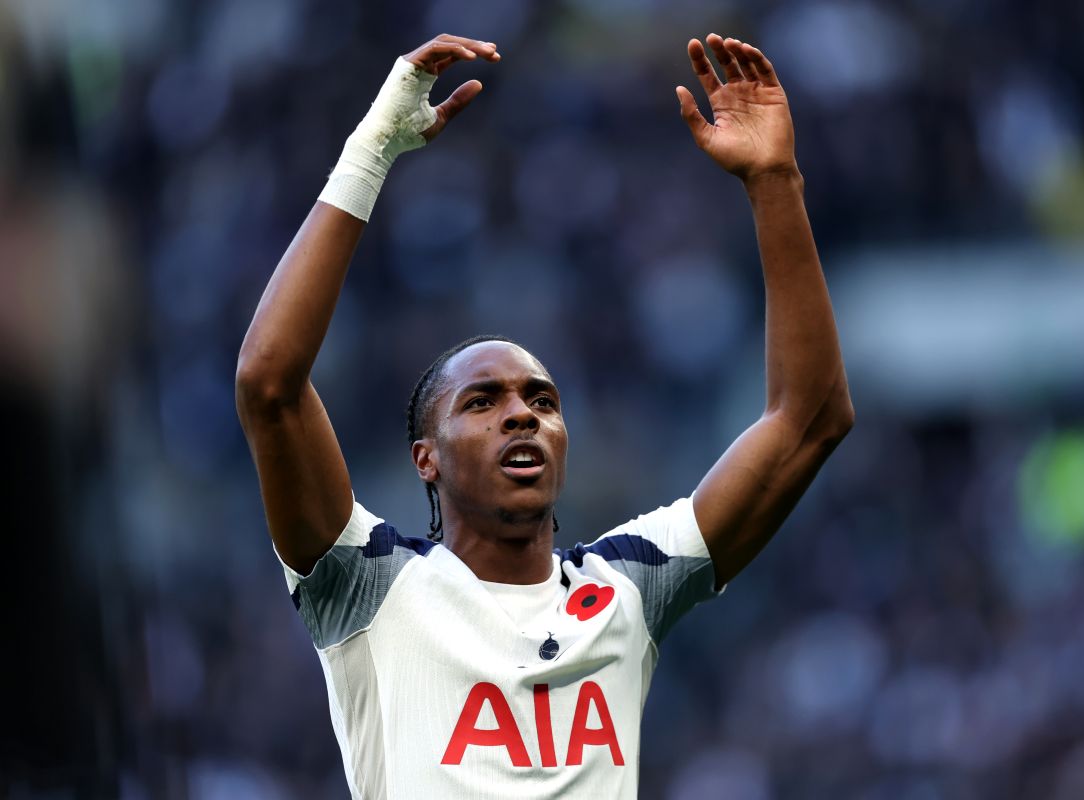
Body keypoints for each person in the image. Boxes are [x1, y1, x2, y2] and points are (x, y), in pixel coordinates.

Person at [236, 31, 853, 799]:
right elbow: (269, 384)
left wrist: (774, 181)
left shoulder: (631, 584)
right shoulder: (368, 588)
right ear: (424, 457)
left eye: (542, 401)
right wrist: (371, 152)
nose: (521, 415)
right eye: (482, 402)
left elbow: (810, 417)